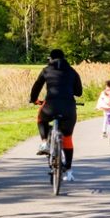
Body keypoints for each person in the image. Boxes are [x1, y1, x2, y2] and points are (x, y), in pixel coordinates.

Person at [29, 49, 83, 182]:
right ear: (64, 58)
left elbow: (37, 86)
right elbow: (79, 92)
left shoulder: (46, 70)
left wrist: (34, 99)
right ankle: (68, 165)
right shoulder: (72, 71)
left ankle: (44, 143)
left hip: (50, 106)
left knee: (41, 119)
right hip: (69, 109)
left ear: (50, 58)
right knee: (68, 137)